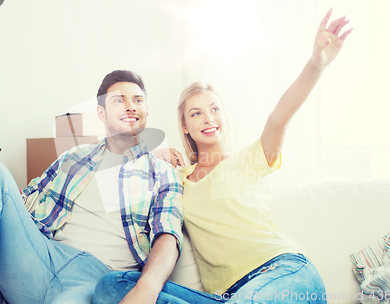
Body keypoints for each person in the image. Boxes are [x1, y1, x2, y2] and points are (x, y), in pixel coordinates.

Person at [93, 8, 352, 304]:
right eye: (196, 113)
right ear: (185, 126)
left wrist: (315, 64)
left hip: (284, 273)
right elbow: (114, 179)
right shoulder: (176, 178)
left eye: (215, 109)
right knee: (112, 286)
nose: (208, 118)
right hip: (229, 296)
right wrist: (147, 154)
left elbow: (280, 117)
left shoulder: (249, 159)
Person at [0, 70, 188, 304]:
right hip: (41, 255)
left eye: (138, 100)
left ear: (146, 110)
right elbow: (25, 197)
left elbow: (168, 235)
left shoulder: (162, 172)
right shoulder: (74, 157)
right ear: (101, 113)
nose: (130, 106)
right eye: (118, 100)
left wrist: (147, 288)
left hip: (97, 276)